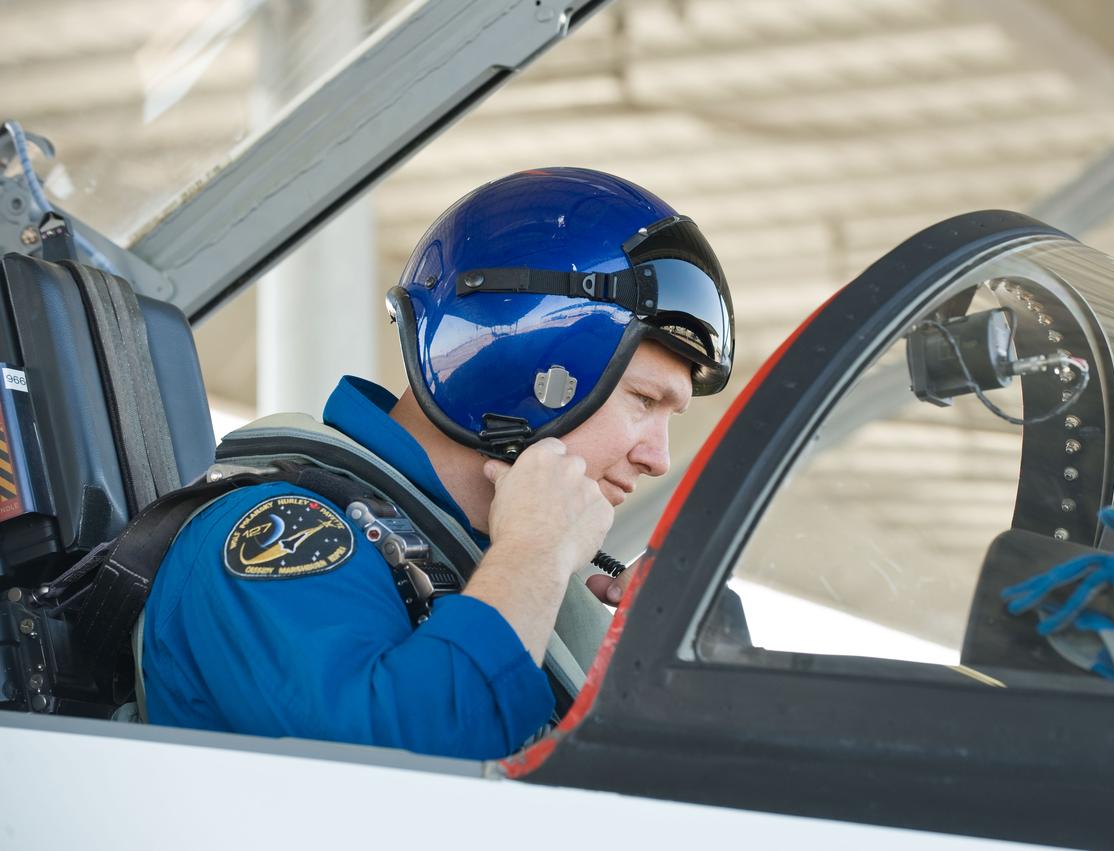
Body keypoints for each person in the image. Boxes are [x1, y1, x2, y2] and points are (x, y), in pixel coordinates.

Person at [140, 167, 735, 759]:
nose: (657, 458)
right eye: (643, 401)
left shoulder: (493, 574)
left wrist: (681, 670)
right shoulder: (280, 530)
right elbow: (395, 780)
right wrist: (533, 554)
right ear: (524, 365)